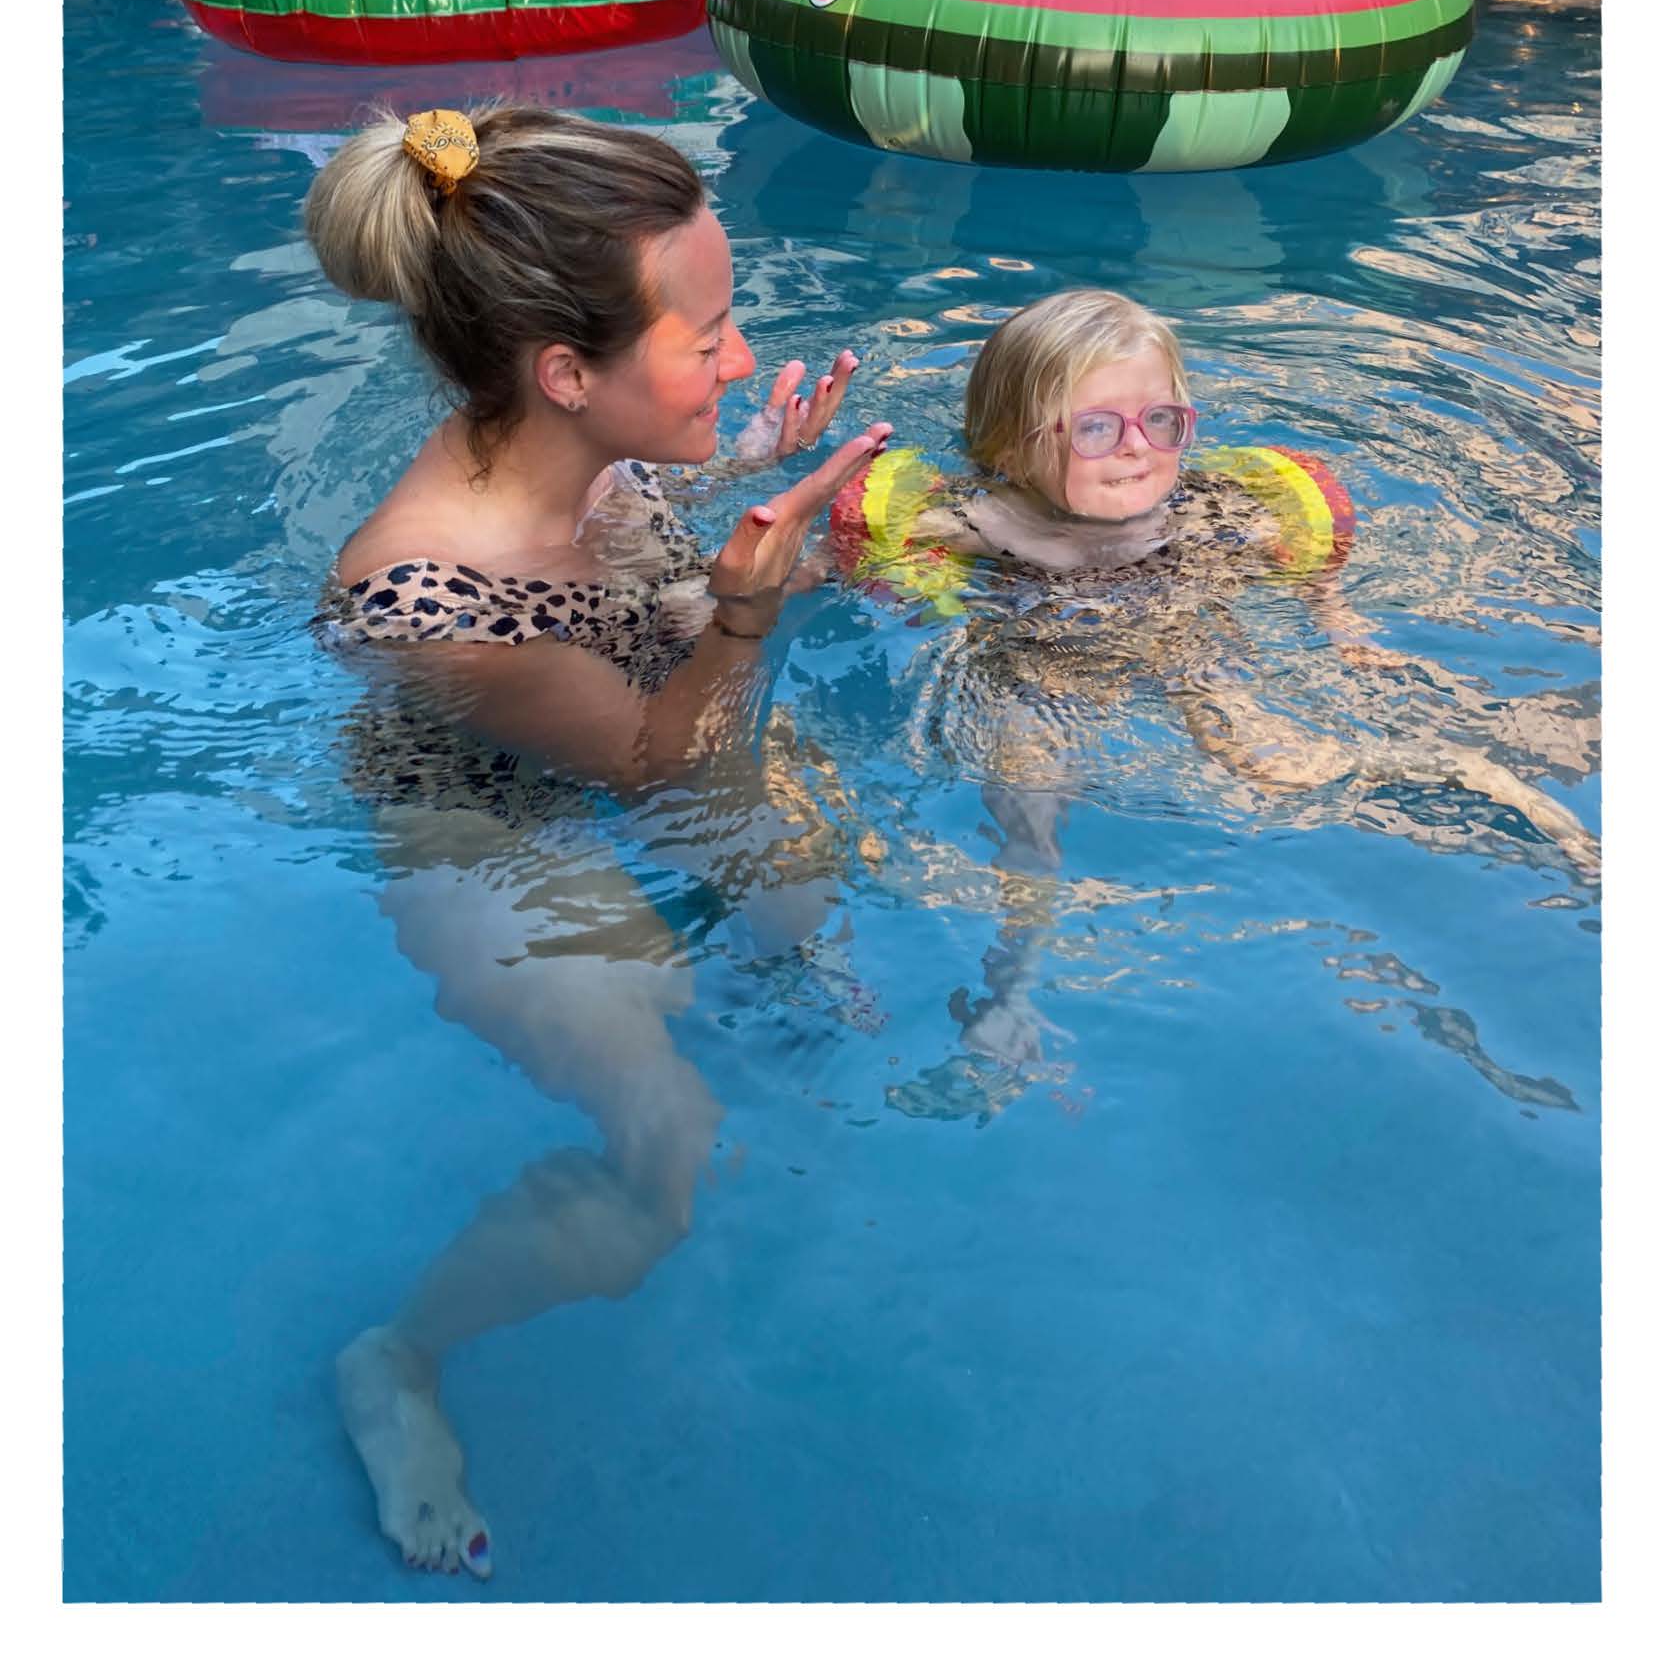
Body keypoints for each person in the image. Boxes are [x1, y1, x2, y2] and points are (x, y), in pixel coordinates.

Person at [305, 104, 889, 1577]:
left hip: (616, 729)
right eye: (709, 338)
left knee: (819, 896)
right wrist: (749, 605)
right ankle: (399, 1359)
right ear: (568, 373)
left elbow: (637, 604)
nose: (741, 357)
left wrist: (724, 470)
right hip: (481, 828)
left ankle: (774, 991)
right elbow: (654, 769)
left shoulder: (582, 450)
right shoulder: (428, 603)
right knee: (663, 1161)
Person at [861, 287, 1597, 1111]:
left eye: (1162, 421)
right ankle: (1011, 999)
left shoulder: (1204, 506)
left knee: (1275, 764)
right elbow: (859, 556)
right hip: (1042, 669)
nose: (1136, 451)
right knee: (1029, 808)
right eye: (1096, 427)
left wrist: (1337, 622)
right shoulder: (986, 521)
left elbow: (1297, 559)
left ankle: (1471, 777)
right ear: (1009, 444)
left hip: (1188, 645)